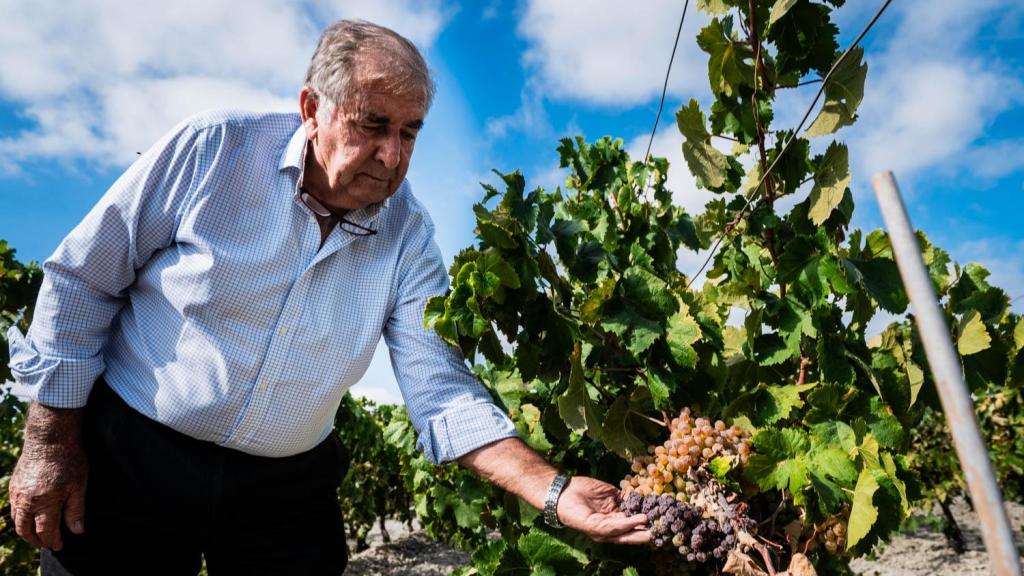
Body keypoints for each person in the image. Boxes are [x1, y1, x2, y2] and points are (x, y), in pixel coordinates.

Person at [6, 19, 649, 576]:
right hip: (132, 460)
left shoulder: (409, 237)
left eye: (410, 133)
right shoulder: (213, 151)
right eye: (374, 125)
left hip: (284, 494)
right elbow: (83, 278)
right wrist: (51, 441)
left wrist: (554, 489)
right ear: (312, 109)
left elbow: (442, 392)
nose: (393, 155)